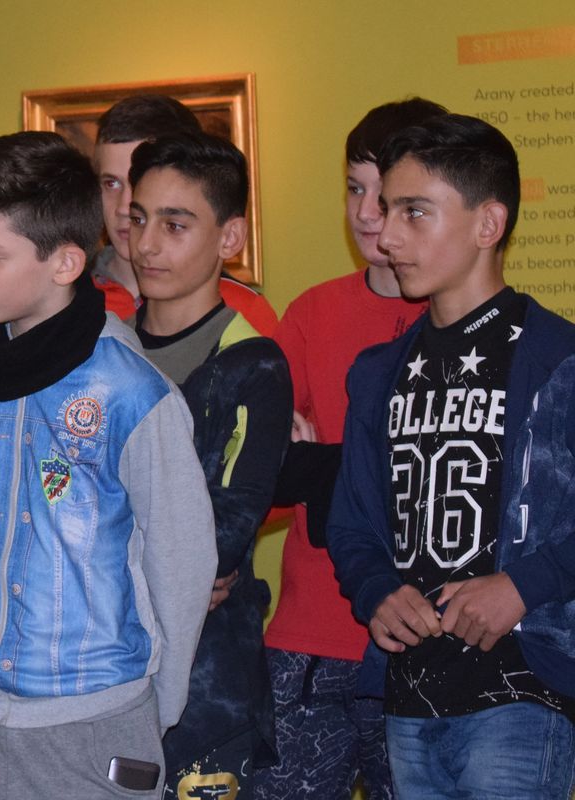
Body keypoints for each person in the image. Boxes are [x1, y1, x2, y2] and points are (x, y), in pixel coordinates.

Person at [0, 130, 216, 799]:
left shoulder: (132, 393)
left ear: (64, 263)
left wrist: (155, 707)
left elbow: (181, 560)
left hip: (96, 723)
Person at [328, 113, 575, 798]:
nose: (386, 234)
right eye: (385, 209)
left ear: (488, 223)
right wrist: (377, 592)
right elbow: (351, 524)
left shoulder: (559, 358)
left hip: (523, 691)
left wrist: (523, 584)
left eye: (414, 212)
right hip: (408, 698)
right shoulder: (377, 372)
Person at [254, 98, 444, 800]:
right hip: (310, 636)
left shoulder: (467, 323)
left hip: (429, 640)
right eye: (354, 189)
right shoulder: (312, 312)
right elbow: (259, 477)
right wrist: (299, 467)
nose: (367, 214)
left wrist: (324, 464)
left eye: (387, 196)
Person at [124, 131, 292, 798]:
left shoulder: (253, 364)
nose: (146, 244)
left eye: (175, 224)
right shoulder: (100, 355)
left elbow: (222, 536)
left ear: (230, 237)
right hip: (103, 681)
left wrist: (107, 561)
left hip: (208, 686)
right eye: (138, 219)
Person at [93, 94, 278, 335]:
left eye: (139, 183)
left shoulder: (245, 309)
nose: (123, 207)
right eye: (111, 184)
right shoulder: (68, 299)